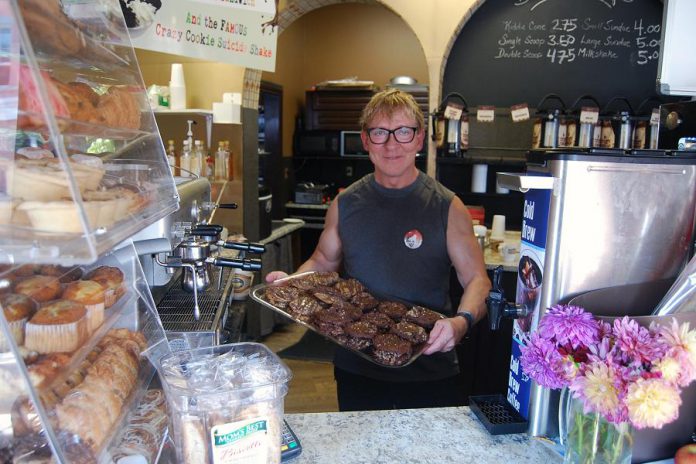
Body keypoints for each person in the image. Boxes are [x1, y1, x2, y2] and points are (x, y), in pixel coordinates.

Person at [266, 88, 491, 411]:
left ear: (418, 138)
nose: (391, 144)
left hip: (429, 370)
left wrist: (462, 321)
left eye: (402, 132)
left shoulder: (447, 206)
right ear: (365, 140)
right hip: (358, 368)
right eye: (380, 133)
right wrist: (291, 284)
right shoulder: (345, 204)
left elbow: (478, 281)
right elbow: (322, 260)